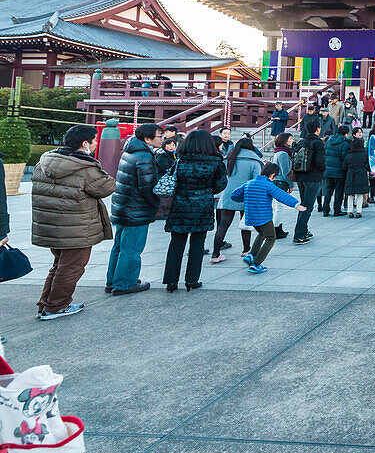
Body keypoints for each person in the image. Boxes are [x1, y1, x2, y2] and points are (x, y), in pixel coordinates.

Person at [31, 125, 116, 320]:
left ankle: (46, 304)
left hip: (51, 226)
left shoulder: (46, 160)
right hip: (76, 228)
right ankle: (56, 307)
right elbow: (106, 187)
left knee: (59, 265)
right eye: (94, 140)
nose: (96, 144)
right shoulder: (84, 166)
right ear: (84, 143)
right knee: (71, 268)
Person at [163, 129, 228, 292]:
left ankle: (171, 281)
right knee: (198, 243)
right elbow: (221, 184)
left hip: (180, 204)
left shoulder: (181, 160)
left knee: (176, 243)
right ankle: (192, 280)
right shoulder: (215, 161)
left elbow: (173, 180)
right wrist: (206, 191)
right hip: (202, 205)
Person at [106, 123, 163, 295]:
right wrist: (156, 204)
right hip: (135, 209)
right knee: (131, 249)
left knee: (119, 246)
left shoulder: (130, 152)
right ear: (147, 139)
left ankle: (113, 281)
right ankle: (124, 283)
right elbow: (147, 187)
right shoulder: (144, 157)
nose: (162, 139)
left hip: (122, 206)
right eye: (159, 136)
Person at [232, 162, 306, 275]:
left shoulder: (249, 183)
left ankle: (251, 255)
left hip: (251, 216)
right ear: (272, 175)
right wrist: (296, 205)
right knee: (271, 238)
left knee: (262, 233)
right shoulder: (267, 185)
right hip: (264, 217)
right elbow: (281, 195)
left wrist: (248, 199)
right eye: (274, 176)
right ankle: (256, 264)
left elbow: (235, 195)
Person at [211, 136, 264, 263]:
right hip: (246, 195)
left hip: (228, 194)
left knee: (223, 225)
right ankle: (246, 250)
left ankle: (215, 254)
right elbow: (256, 181)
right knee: (246, 224)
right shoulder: (254, 161)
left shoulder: (229, 158)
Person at [292, 119, 326, 245]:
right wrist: (322, 170)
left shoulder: (302, 141)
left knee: (303, 204)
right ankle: (299, 234)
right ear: (318, 129)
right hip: (312, 178)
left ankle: (304, 230)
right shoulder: (318, 143)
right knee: (307, 207)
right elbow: (320, 163)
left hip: (301, 177)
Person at [321, 125, 351, 217]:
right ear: (346, 134)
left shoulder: (329, 140)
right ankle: (337, 210)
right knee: (339, 191)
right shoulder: (345, 143)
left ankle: (325, 210)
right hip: (339, 170)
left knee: (328, 190)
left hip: (328, 169)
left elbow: (325, 153)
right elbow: (344, 157)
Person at [270, 132, 295, 237]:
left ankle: (277, 227)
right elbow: (285, 172)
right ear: (284, 141)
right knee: (279, 207)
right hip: (281, 182)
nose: (292, 141)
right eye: (290, 139)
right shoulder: (284, 154)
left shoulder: (279, 152)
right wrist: (291, 184)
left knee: (276, 207)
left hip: (277, 181)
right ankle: (275, 229)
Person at [342, 137, 370, 218]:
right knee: (360, 194)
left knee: (350, 194)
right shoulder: (364, 154)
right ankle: (358, 211)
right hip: (361, 174)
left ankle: (350, 211)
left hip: (350, 175)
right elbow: (368, 166)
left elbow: (344, 166)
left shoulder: (349, 154)